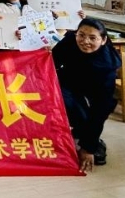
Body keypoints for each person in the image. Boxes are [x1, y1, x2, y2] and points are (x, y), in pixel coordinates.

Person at [52, 18, 121, 172]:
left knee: (99, 111)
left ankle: (91, 141)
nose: (85, 41)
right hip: (69, 80)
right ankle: (84, 134)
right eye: (81, 35)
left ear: (103, 40)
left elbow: (100, 110)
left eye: (92, 38)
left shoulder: (107, 66)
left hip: (95, 85)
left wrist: (88, 149)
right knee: (62, 98)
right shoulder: (70, 41)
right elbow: (52, 62)